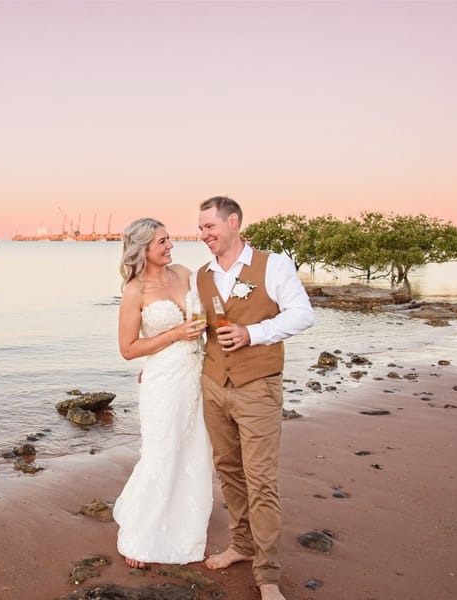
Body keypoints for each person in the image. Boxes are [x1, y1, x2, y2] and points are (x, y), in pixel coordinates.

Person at [192, 196, 315, 600]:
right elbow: (205, 330)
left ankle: (267, 575)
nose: (203, 234)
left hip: (258, 386)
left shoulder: (272, 264)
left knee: (261, 482)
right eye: (201, 228)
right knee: (228, 470)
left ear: (233, 222)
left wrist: (253, 333)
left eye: (209, 226)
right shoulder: (203, 275)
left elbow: (302, 313)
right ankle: (241, 545)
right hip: (214, 385)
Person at [113, 217, 215, 569]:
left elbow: (205, 319)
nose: (171, 245)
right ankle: (141, 534)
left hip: (195, 374)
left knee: (193, 448)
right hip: (162, 380)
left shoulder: (185, 274)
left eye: (169, 239)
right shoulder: (134, 290)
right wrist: (174, 336)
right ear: (143, 249)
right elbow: (128, 348)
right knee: (161, 449)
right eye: (162, 241)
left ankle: (185, 526)